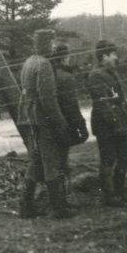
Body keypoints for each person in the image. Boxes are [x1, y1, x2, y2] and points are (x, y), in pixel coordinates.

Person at [17, 29, 72, 219]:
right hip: (42, 120)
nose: (53, 46)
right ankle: (58, 208)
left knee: (36, 161)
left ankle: (26, 206)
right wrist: (60, 123)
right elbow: (48, 100)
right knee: (51, 162)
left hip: (29, 119)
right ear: (46, 44)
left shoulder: (29, 62)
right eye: (51, 43)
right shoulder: (44, 64)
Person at [87, 39, 127, 206]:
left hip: (119, 123)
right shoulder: (95, 75)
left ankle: (120, 192)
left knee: (125, 157)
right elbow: (103, 104)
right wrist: (117, 124)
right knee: (108, 160)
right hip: (106, 126)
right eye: (113, 54)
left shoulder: (111, 72)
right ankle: (110, 197)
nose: (116, 58)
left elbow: (121, 100)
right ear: (104, 56)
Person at [51, 41, 89, 187]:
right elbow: (71, 105)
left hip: (53, 121)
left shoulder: (50, 73)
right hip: (65, 123)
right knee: (61, 160)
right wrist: (81, 125)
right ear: (65, 57)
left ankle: (61, 195)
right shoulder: (66, 77)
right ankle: (63, 197)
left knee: (56, 160)